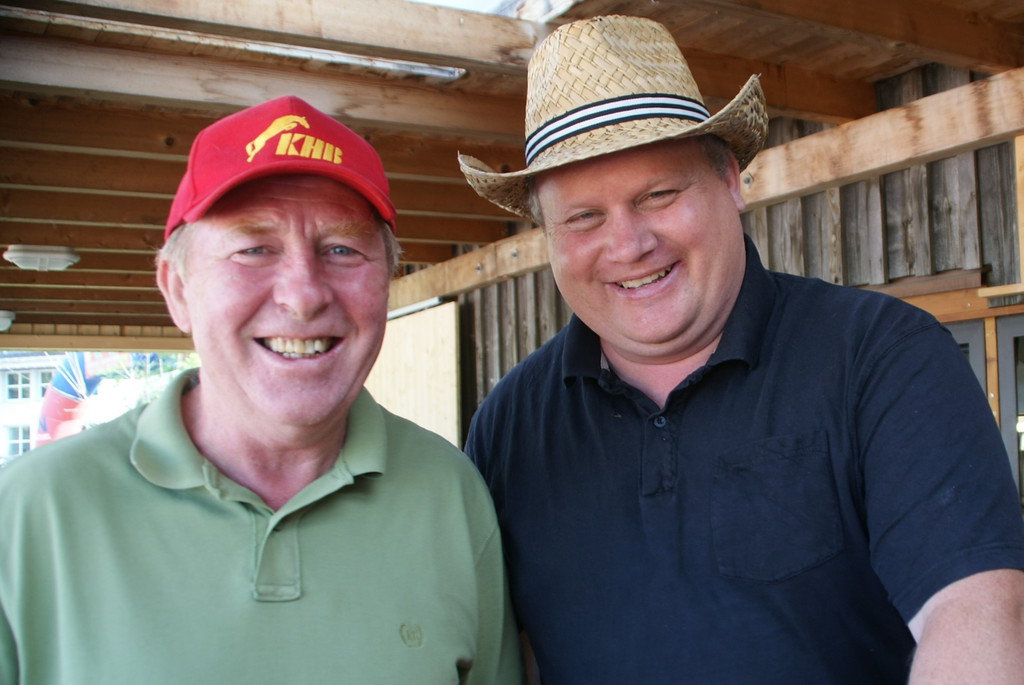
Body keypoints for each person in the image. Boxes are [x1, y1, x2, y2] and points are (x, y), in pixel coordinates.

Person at [458, 15, 1024, 684]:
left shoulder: (883, 358)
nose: (629, 244)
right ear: (548, 236)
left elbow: (976, 609)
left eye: (658, 195)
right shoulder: (510, 424)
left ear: (729, 179)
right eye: (584, 217)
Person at [0, 95, 523, 685]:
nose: (303, 295)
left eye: (342, 250)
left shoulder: (451, 492)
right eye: (254, 249)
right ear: (177, 290)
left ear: (386, 282)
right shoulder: (28, 511)